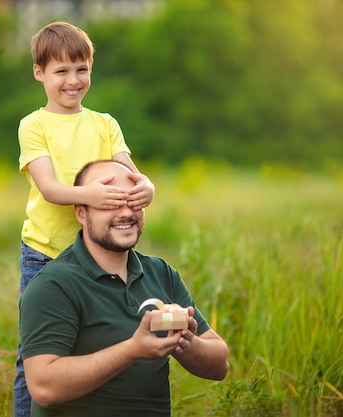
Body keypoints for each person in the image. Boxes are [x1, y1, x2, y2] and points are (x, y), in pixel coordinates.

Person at [15, 22, 155, 417]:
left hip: (98, 257)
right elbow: (50, 189)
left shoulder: (104, 124)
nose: (73, 81)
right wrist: (92, 196)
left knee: (98, 343)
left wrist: (146, 187)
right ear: (39, 73)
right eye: (61, 71)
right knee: (38, 355)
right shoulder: (35, 125)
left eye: (82, 70)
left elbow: (132, 173)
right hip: (46, 254)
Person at [19, 160, 230, 417]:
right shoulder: (54, 284)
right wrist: (132, 350)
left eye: (134, 201)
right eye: (110, 202)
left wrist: (187, 343)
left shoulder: (161, 273)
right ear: (81, 213)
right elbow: (43, 386)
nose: (126, 213)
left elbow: (220, 365)